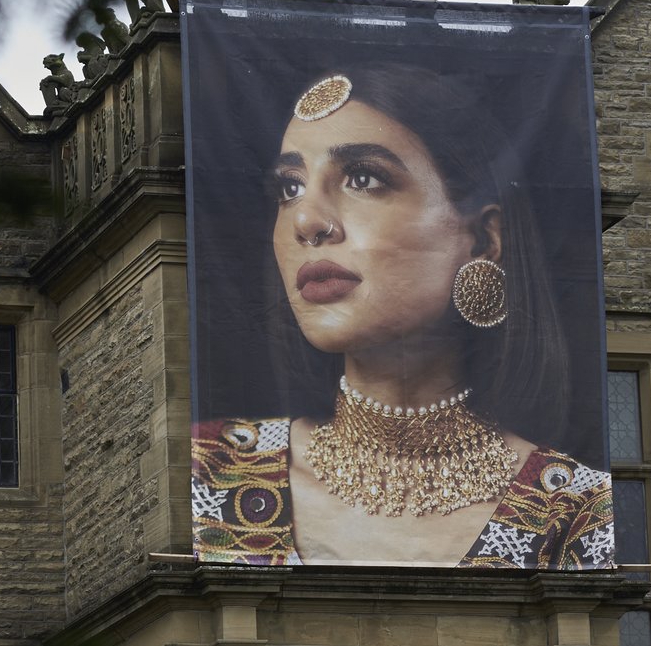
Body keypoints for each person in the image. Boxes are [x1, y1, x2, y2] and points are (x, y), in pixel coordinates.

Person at [191, 64, 614, 568]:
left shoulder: (576, 513)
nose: (306, 221)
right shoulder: (210, 471)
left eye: (362, 178)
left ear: (481, 239)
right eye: (290, 188)